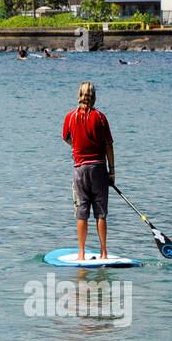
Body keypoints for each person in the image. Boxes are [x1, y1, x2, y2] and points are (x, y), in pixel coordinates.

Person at [62, 81, 115, 261]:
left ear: (79, 95)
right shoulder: (100, 117)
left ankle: (82, 253)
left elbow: (66, 138)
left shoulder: (70, 117)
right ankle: (104, 252)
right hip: (99, 168)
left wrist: (77, 148)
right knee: (101, 212)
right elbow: (109, 146)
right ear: (94, 96)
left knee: (82, 212)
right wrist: (112, 171)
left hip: (80, 169)